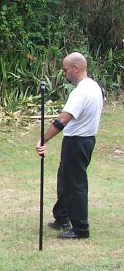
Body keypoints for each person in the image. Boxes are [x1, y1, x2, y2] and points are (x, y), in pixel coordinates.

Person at [36, 52, 103, 239]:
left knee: (75, 184)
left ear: (76, 68)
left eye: (65, 70)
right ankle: (62, 217)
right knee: (65, 178)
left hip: (77, 141)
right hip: (86, 140)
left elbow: (63, 119)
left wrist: (43, 139)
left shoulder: (80, 92)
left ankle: (81, 229)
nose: (64, 74)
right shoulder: (94, 87)